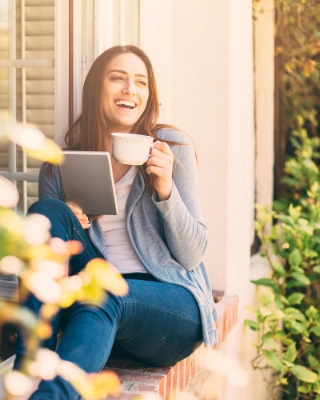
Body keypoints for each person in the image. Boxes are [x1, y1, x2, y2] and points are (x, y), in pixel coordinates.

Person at [14, 44, 218, 399]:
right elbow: (47, 264)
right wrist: (74, 224)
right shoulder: (60, 167)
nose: (130, 90)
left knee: (106, 291)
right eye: (118, 79)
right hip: (98, 296)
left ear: (149, 96)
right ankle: (30, 367)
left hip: (171, 304)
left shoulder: (171, 147)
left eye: (141, 82)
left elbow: (192, 255)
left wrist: (166, 190)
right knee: (47, 215)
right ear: (97, 89)